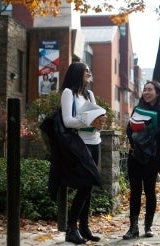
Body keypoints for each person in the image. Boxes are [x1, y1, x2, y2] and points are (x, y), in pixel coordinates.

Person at [60, 62, 107, 244]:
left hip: (95, 142)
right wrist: (87, 121)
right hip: (80, 145)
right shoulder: (68, 93)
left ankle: (84, 227)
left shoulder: (89, 94)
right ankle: (71, 228)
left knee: (89, 186)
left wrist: (100, 121)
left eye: (89, 69)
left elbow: (95, 115)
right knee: (85, 184)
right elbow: (67, 121)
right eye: (86, 70)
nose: (89, 72)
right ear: (77, 72)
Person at [123, 81, 160, 240]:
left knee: (150, 191)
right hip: (135, 155)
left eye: (150, 90)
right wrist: (134, 141)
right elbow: (129, 129)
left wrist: (142, 129)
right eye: (144, 89)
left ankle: (148, 226)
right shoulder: (137, 109)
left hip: (152, 157)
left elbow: (157, 132)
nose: (146, 92)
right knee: (135, 192)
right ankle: (133, 227)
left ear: (157, 93)